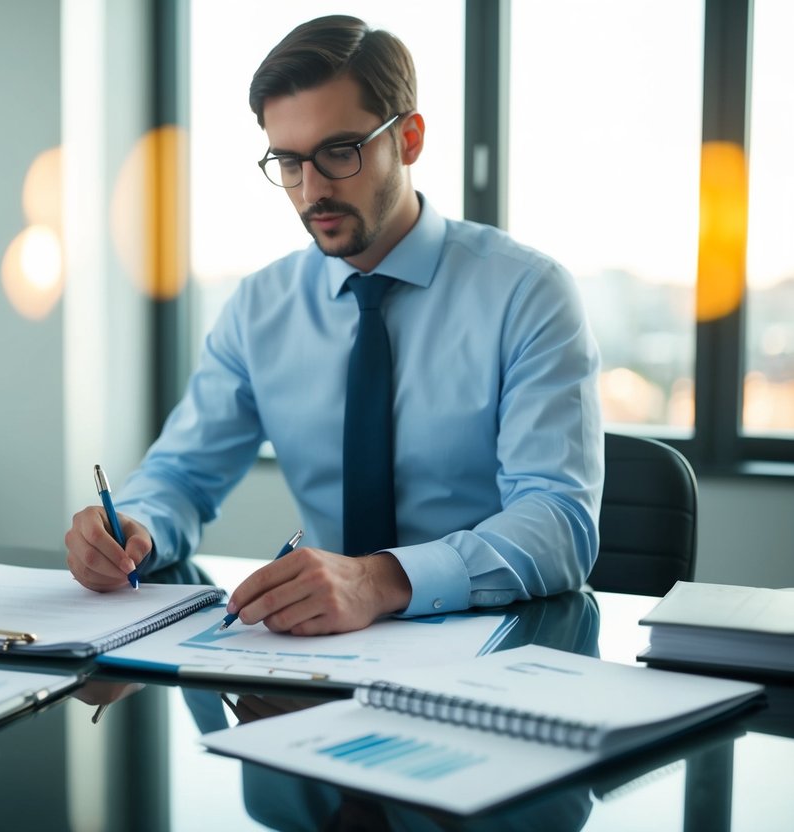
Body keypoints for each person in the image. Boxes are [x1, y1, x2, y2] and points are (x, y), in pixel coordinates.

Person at [65, 14, 603, 636]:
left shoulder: (527, 293)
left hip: (496, 651)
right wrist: (133, 528)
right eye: (288, 162)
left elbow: (560, 520)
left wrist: (377, 580)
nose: (311, 190)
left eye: (338, 152)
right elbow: (182, 474)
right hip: (321, 653)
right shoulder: (260, 306)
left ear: (409, 140)